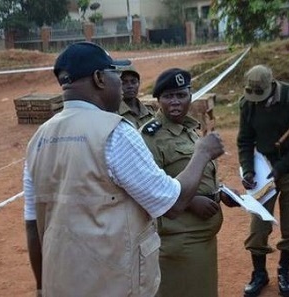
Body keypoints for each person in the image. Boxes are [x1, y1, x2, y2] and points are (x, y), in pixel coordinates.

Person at [23, 42, 225, 297]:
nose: (121, 84)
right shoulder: (115, 133)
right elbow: (173, 203)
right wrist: (203, 153)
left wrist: (41, 286)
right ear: (99, 78)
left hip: (60, 283)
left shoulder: (39, 139)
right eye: (115, 75)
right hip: (113, 282)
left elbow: (32, 223)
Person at [140, 68, 239, 297]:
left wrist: (220, 191)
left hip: (203, 236)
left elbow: (198, 174)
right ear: (158, 100)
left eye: (181, 95)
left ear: (190, 96)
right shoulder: (149, 136)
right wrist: (191, 201)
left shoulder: (190, 130)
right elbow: (148, 189)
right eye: (168, 96)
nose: (175, 102)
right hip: (179, 240)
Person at [237, 64, 289, 297]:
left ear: (272, 84)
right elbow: (245, 140)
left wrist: (282, 167)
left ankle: (284, 270)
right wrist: (249, 170)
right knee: (258, 226)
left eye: (260, 94)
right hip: (264, 169)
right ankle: (259, 273)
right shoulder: (247, 103)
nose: (257, 100)